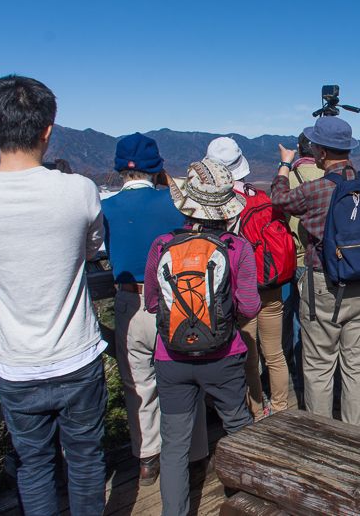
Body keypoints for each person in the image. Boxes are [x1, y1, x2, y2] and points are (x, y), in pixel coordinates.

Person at [0, 75, 107, 514]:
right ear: (49, 129)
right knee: (86, 462)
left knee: (33, 464)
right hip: (78, 355)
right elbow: (93, 249)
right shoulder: (80, 190)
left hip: (16, 364)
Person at [144, 158, 259, 516]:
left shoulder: (162, 245)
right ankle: (248, 500)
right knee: (239, 427)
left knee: (175, 445)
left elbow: (151, 303)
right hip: (224, 355)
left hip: (171, 358)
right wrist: (224, 318)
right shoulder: (237, 247)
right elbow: (251, 306)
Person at [271, 116, 360, 428]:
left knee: (318, 365)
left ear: (321, 153)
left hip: (323, 286)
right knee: (358, 365)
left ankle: (323, 437)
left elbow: (278, 199)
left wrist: (285, 167)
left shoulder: (315, 190)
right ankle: (358, 437)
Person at [101, 133, 208, 485]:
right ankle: (193, 455)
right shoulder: (174, 204)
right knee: (184, 376)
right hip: (174, 298)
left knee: (138, 381)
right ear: (156, 166)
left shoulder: (108, 207)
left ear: (120, 169)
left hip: (130, 300)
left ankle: (148, 457)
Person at [205, 136, 289, 420]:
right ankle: (281, 408)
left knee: (250, 358)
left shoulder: (220, 205)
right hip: (272, 285)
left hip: (242, 291)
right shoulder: (261, 197)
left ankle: (257, 410)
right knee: (275, 355)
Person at [283, 132, 325, 403]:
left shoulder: (288, 179)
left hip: (297, 260)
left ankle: (301, 380)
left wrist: (284, 166)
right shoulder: (328, 178)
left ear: (299, 150)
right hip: (327, 259)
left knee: (300, 321)